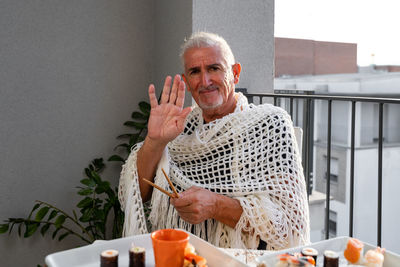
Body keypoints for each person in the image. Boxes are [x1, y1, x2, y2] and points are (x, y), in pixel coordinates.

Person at [118, 32, 310, 250]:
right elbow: (136, 194)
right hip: (177, 252)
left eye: (214, 68)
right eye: (195, 72)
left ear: (235, 73)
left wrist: (216, 206)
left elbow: (291, 225)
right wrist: (155, 141)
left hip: (242, 259)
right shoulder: (179, 126)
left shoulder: (270, 124)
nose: (205, 81)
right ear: (187, 82)